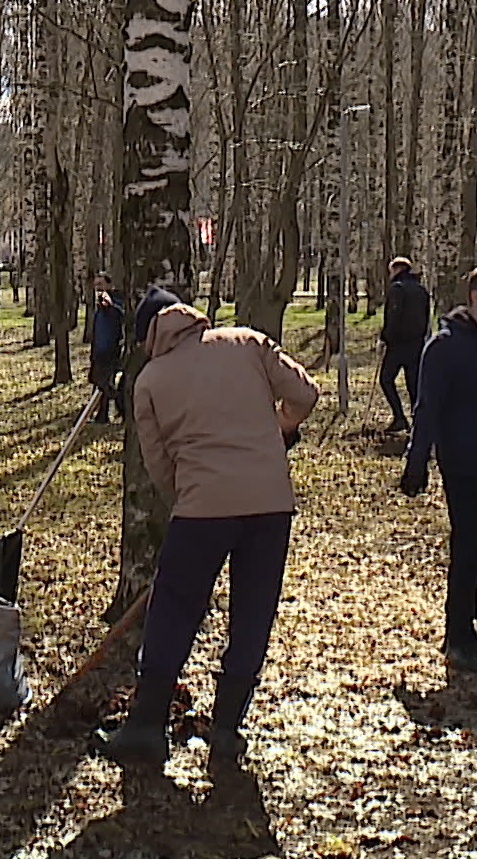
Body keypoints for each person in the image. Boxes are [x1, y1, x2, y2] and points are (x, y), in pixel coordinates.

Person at [99, 294, 320, 766]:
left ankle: (146, 726)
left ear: (149, 335)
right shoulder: (246, 343)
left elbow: (158, 463)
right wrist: (277, 430)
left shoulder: (150, 379)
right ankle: (226, 726)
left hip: (201, 508)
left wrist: (185, 499)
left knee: (173, 610)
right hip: (269, 504)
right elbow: (305, 394)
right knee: (253, 612)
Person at [399, 264, 477, 668]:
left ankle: (467, 626)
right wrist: (417, 459)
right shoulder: (445, 346)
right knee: (467, 544)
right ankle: (456, 634)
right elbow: (427, 407)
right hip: (463, 461)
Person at [380, 256, 431, 433]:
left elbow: (393, 316)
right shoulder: (422, 290)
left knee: (386, 379)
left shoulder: (397, 289)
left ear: (396, 269)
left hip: (397, 344)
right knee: (413, 385)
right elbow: (426, 317)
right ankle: (418, 422)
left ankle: (399, 417)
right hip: (417, 344)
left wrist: (385, 337)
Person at [90, 273, 126, 424]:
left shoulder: (116, 301)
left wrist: (111, 305)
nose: (98, 287)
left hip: (111, 351)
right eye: (96, 285)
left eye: (101, 284)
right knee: (98, 383)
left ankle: (122, 412)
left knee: (108, 385)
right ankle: (101, 415)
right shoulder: (98, 307)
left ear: (109, 285)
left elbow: (122, 317)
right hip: (99, 351)